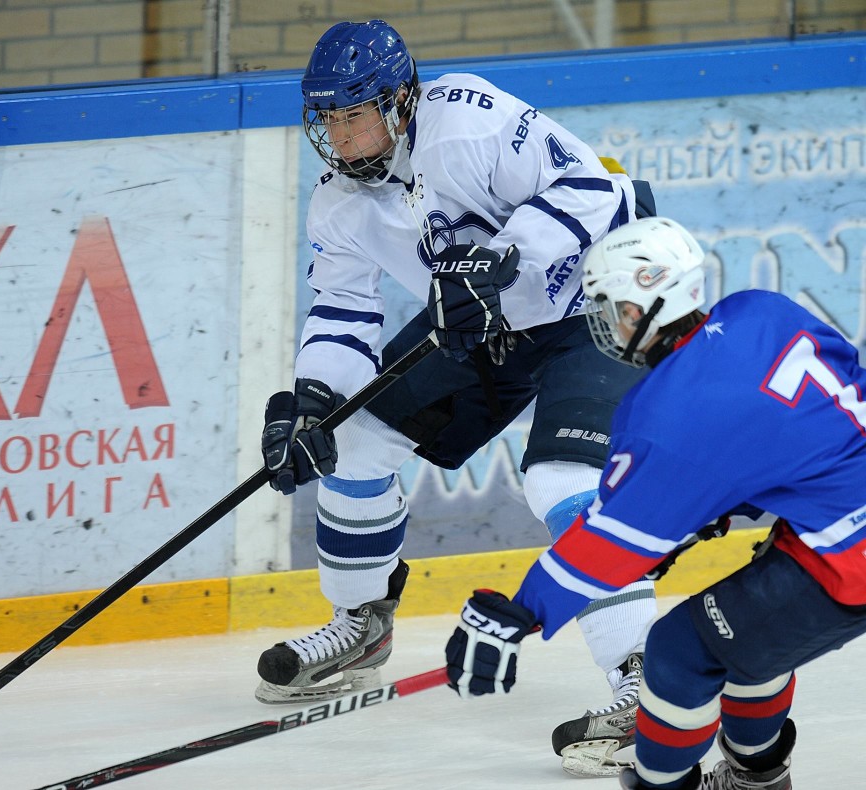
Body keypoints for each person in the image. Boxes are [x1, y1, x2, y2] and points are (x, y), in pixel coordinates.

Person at [257, 19, 659, 776]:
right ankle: (362, 621)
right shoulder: (338, 200)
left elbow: (591, 189)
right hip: (488, 325)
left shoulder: (465, 120)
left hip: (598, 301)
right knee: (352, 442)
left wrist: (503, 258)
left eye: (355, 113)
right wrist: (311, 402)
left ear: (401, 100)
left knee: (562, 481)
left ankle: (648, 680)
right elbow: (343, 316)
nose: (340, 136)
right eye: (329, 118)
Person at [445, 214, 866, 789]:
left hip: (847, 553)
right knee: (748, 634)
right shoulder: (761, 310)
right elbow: (814, 416)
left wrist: (520, 614)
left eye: (609, 309)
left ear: (638, 311)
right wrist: (710, 512)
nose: (606, 325)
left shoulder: (666, 412)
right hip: (833, 515)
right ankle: (758, 779)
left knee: (677, 649)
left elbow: (608, 541)